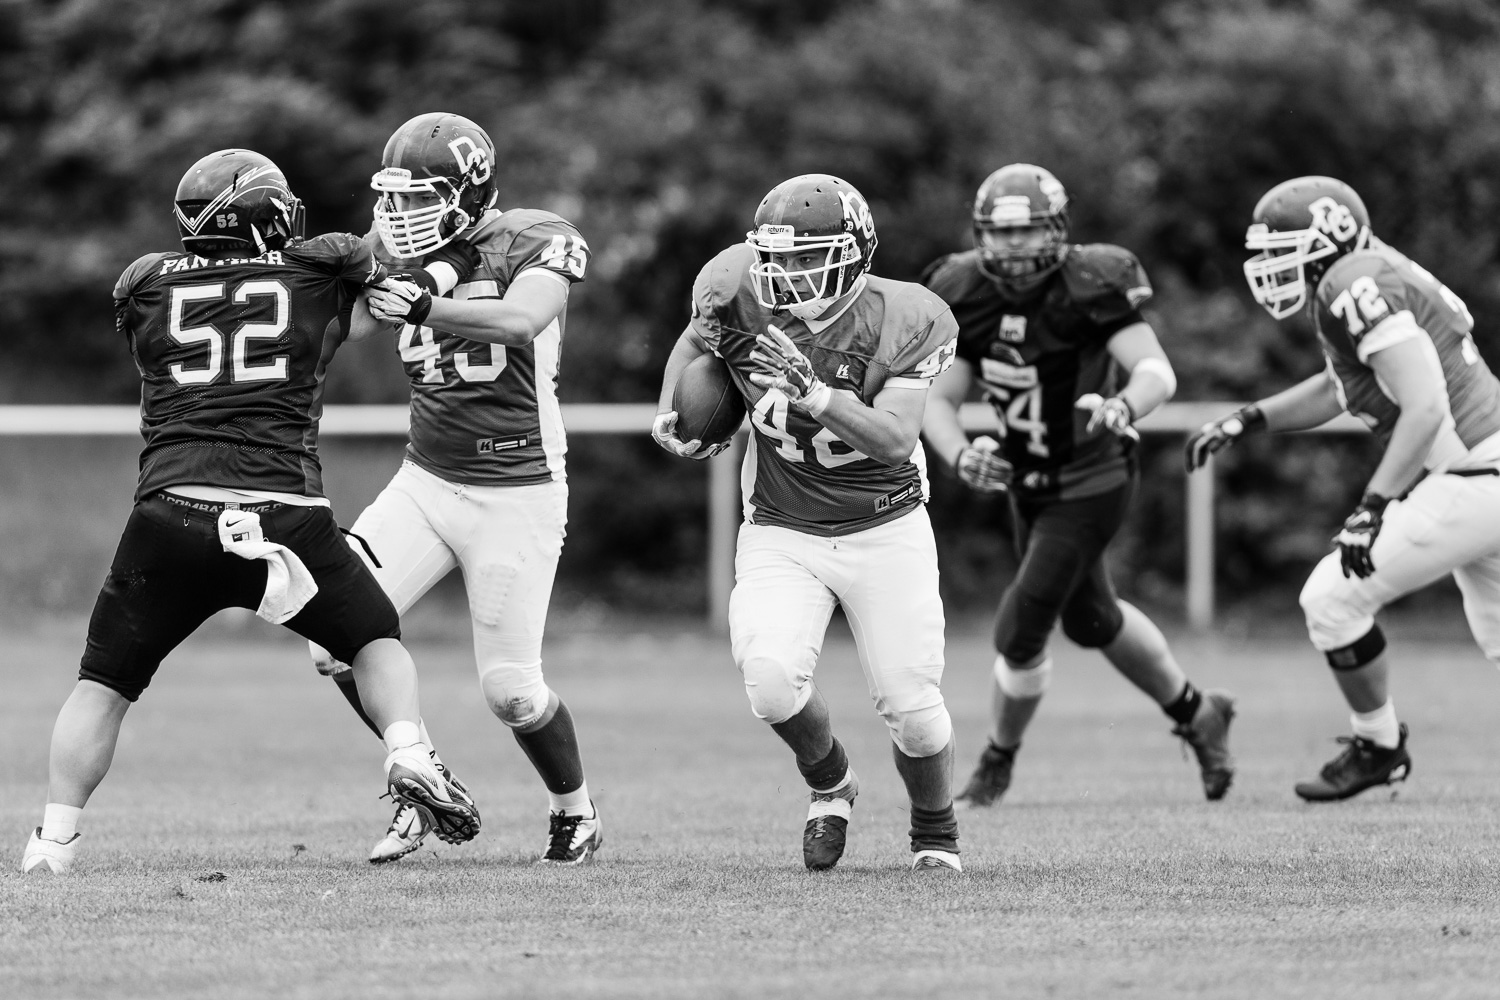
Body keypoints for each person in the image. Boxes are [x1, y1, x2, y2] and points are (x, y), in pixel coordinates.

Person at [20, 149, 479, 875]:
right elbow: (370, 293)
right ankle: (410, 751)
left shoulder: (142, 281)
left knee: (104, 685)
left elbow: (201, 307)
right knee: (372, 638)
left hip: (170, 511)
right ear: (268, 216)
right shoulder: (319, 268)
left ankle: (51, 843)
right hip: (283, 510)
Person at [307, 112, 601, 865]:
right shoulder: (390, 250)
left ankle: (575, 811)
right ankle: (421, 775)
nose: (399, 218)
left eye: (419, 200)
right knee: (333, 640)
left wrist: (427, 303)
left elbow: (520, 319)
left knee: (513, 693)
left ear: (469, 192)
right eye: (392, 200)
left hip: (517, 488)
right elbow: (335, 329)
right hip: (427, 482)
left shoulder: (535, 237)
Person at [653, 174, 964, 872]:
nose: (788, 273)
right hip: (782, 524)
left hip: (885, 523)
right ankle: (831, 785)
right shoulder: (733, 283)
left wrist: (815, 392)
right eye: (777, 258)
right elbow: (695, 347)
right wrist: (674, 411)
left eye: (807, 256)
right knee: (767, 677)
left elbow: (892, 439)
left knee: (913, 709)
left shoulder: (907, 316)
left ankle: (935, 830)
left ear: (855, 254)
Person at [921, 163, 1237, 809]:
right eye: (999, 232)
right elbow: (936, 399)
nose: (1012, 244)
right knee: (1094, 620)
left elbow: (1155, 370)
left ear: (1057, 229)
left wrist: (1126, 405)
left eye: (1028, 229)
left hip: (1093, 474)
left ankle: (997, 759)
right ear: (980, 234)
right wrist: (957, 455)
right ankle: (1199, 712)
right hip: (1026, 480)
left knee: (1019, 630)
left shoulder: (1089, 282)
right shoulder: (963, 291)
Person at [1188, 175, 1500, 801]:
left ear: (1328, 238)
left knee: (1331, 599)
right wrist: (1252, 417)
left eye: (1285, 246)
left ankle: (1380, 746)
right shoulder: (1363, 274)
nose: (1273, 262)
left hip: (1477, 478)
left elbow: (1425, 409)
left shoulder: (1351, 280)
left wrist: (1371, 509)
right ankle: (1379, 747)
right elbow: (1341, 388)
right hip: (1483, 474)